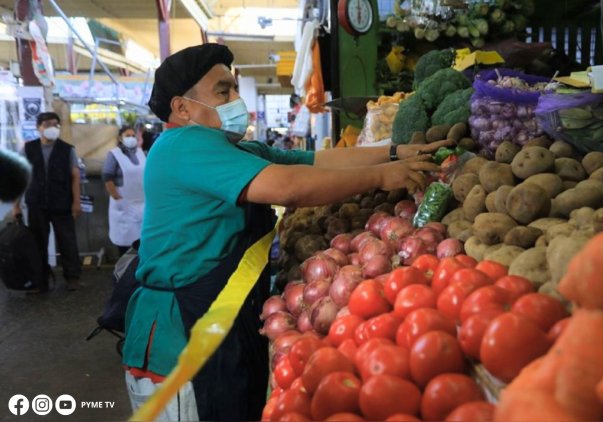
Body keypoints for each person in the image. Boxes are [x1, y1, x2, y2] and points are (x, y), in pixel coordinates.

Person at [122, 43, 448, 421]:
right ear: (182, 108)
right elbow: (288, 186)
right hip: (184, 341)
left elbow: (318, 160)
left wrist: (399, 152)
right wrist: (381, 174)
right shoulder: (185, 145)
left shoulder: (230, 147)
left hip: (218, 319)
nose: (234, 100)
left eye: (233, 89)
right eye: (222, 91)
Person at [13, 112, 82, 292]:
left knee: (67, 241)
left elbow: (75, 177)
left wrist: (76, 201)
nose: (52, 128)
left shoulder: (67, 149)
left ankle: (72, 277)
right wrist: (16, 204)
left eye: (55, 125)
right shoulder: (27, 149)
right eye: (48, 124)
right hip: (36, 203)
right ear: (38, 127)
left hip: (62, 203)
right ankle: (40, 280)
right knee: (37, 244)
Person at [102, 126, 146, 256]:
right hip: (124, 204)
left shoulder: (140, 152)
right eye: (128, 135)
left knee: (142, 243)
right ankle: (125, 274)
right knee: (126, 245)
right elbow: (107, 177)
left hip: (142, 204)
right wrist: (117, 197)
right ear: (120, 138)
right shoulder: (114, 154)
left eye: (133, 135)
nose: (131, 138)